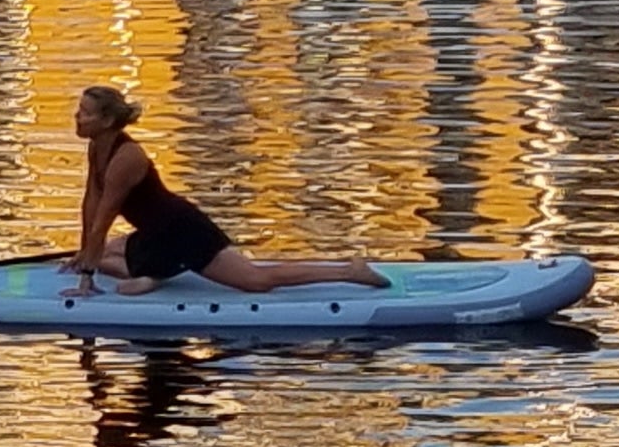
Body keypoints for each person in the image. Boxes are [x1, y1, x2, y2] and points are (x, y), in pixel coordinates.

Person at [64, 85, 387, 298]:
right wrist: (83, 253)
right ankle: (155, 271)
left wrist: (86, 281)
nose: (77, 118)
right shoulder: (97, 147)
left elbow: (105, 216)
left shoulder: (127, 157)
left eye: (85, 113)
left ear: (106, 120)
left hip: (182, 231)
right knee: (103, 256)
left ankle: (349, 271)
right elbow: (91, 202)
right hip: (155, 233)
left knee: (256, 281)